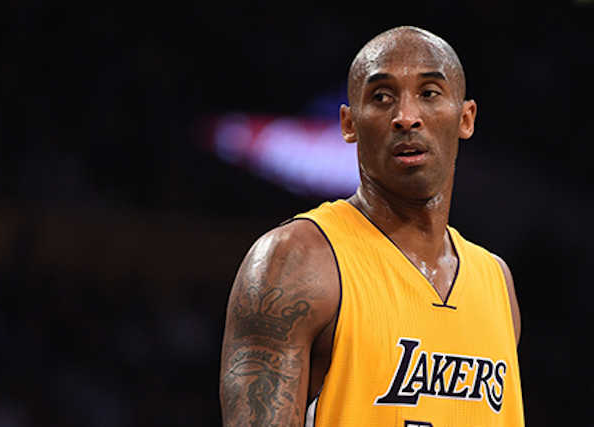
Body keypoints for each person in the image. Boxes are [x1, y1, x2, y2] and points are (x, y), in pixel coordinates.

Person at [219, 26, 524, 426]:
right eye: (382, 97)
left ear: (465, 118)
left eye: (429, 93)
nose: (406, 118)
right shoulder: (296, 260)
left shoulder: (496, 282)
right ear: (349, 123)